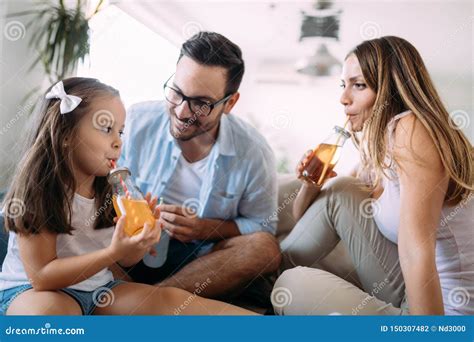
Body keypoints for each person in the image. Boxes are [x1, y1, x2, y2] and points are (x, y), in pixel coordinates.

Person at [0, 77, 255, 315]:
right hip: (33, 291)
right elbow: (42, 276)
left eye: (120, 132)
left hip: (99, 290)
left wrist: (138, 242)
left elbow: (126, 258)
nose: (118, 142)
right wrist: (111, 253)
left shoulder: (113, 189)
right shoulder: (41, 190)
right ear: (66, 135)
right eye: (106, 128)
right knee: (48, 313)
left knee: (169, 300)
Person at [274, 36, 473, 315]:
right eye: (344, 85)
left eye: (359, 85)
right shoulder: (376, 152)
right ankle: (264, 270)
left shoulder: (412, 128)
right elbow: (305, 216)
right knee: (342, 188)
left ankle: (265, 276)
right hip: (405, 289)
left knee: (291, 286)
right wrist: (310, 185)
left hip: (445, 313)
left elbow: (417, 245)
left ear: (391, 90)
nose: (344, 98)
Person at [116, 31, 281, 300]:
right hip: (128, 245)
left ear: (229, 103)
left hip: (200, 262)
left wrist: (205, 228)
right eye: (177, 93)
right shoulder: (136, 120)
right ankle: (150, 303)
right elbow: (103, 184)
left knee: (265, 249)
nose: (182, 112)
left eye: (201, 104)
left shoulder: (254, 152)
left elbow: (262, 225)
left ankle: (150, 301)